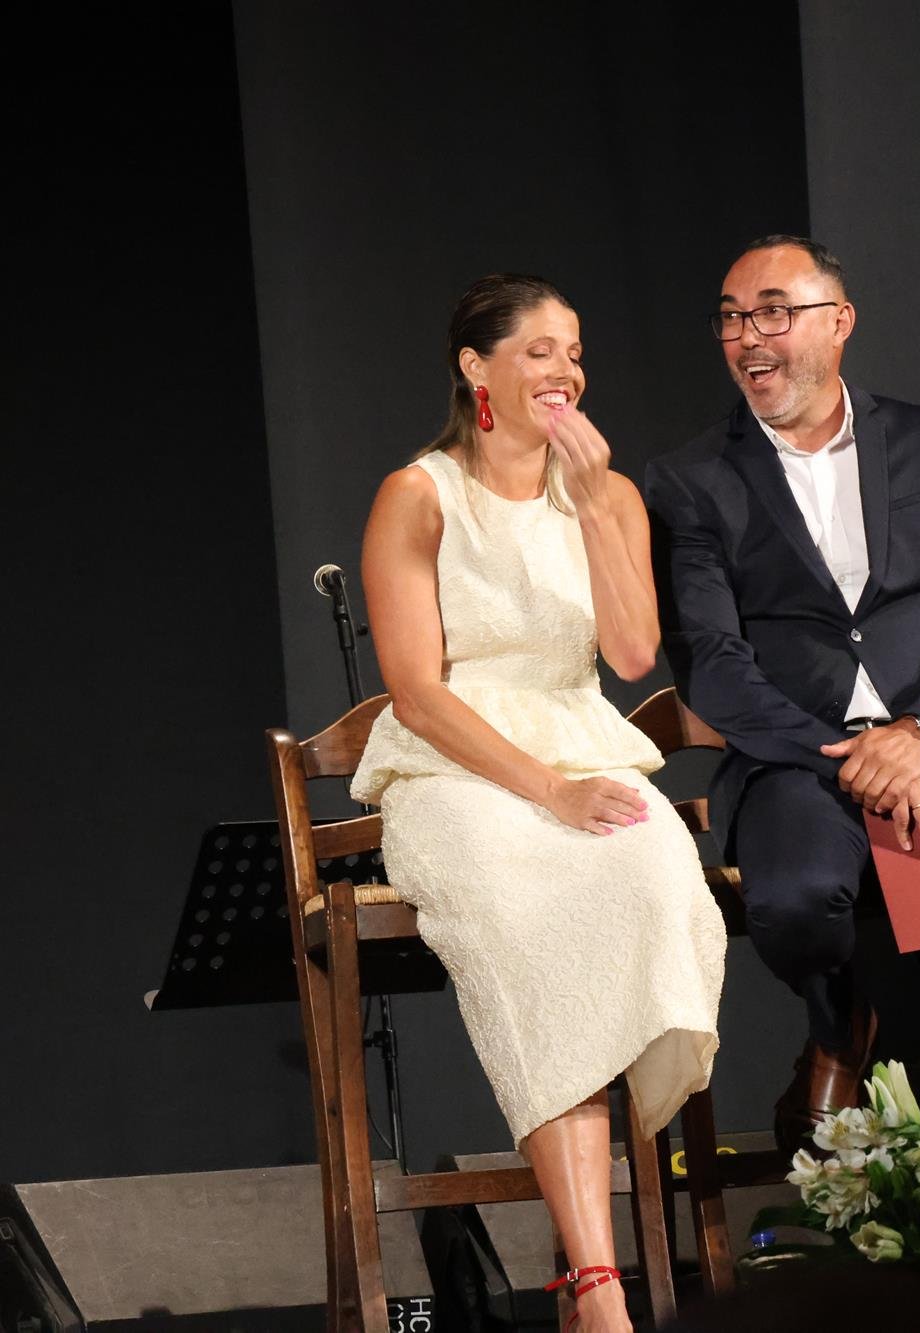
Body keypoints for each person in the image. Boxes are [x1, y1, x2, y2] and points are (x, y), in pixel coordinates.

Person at [352, 274, 725, 1333]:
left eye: (573, 353)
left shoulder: (605, 493)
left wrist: (602, 502)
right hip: (459, 769)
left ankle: (584, 1271)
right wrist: (547, 791)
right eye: (539, 352)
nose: (565, 372)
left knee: (657, 874)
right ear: (477, 368)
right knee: (530, 921)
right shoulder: (417, 493)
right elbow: (417, 691)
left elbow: (632, 654)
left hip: (578, 733)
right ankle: (598, 1287)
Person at [645, 236, 920, 1150]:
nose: (750, 336)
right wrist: (858, 756)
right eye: (733, 317)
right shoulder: (689, 479)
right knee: (796, 900)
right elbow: (710, 662)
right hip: (796, 760)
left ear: (839, 321)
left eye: (775, 311)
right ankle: (837, 1027)